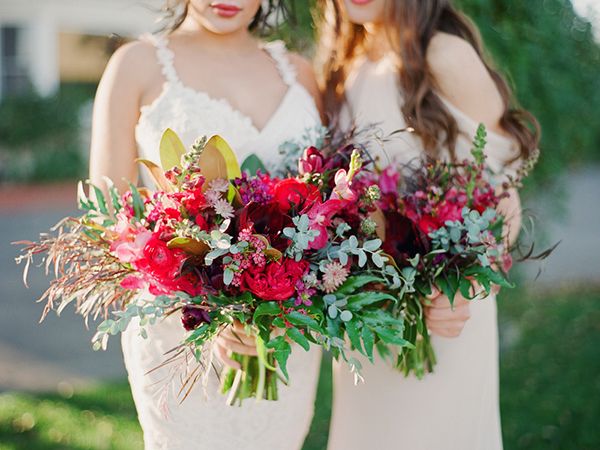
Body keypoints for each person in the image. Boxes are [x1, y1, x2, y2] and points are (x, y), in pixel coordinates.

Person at [88, 1, 323, 449]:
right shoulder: (136, 65)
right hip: (180, 331)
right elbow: (110, 220)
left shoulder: (300, 72)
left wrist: (273, 309)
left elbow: (327, 203)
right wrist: (217, 308)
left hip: (286, 327)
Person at [316, 1, 539, 449]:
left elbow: (504, 199)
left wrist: (466, 288)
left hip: (444, 317)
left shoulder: (446, 55)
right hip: (367, 323)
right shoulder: (343, 66)